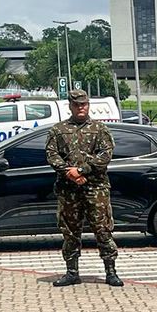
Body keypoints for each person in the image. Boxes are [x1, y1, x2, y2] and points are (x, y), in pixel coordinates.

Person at [47, 88, 121, 289]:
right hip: (68, 190)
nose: (81, 108)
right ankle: (72, 272)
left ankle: (111, 272)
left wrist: (81, 170)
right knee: (70, 231)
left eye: (84, 104)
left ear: (88, 105)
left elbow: (105, 155)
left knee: (103, 229)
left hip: (95, 188)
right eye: (77, 105)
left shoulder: (100, 129)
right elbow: (52, 155)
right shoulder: (58, 130)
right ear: (70, 106)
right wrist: (68, 173)